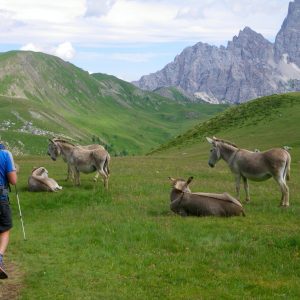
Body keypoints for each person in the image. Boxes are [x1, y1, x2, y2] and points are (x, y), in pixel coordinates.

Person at [0, 142, 17, 279]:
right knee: (5, 228)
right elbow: (13, 181)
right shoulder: (6, 154)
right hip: (1, 197)